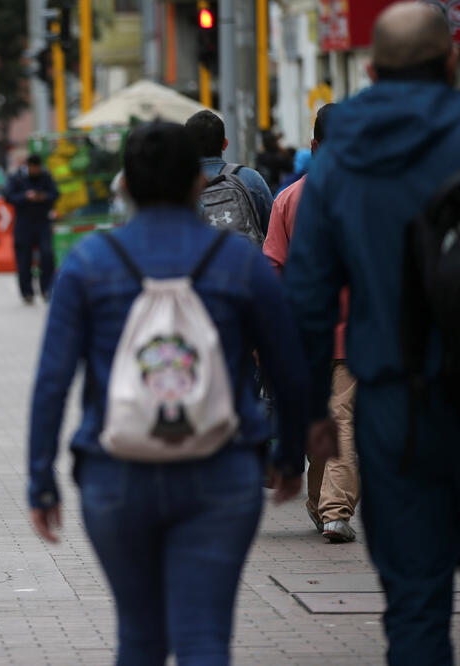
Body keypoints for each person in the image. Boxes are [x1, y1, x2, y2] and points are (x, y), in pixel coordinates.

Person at [28, 121, 309, 665]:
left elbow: (52, 382)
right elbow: (289, 368)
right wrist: (289, 454)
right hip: (223, 471)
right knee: (205, 637)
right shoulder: (241, 263)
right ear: (195, 184)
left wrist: (42, 481)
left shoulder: (88, 264)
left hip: (115, 474)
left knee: (139, 638)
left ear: (125, 187)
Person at [285, 4, 460, 663]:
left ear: (370, 69)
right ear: (450, 59)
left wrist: (301, 420)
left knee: (416, 603)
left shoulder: (342, 156)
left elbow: (306, 299)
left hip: (397, 404)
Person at [262, 103, 360, 545]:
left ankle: (330, 508)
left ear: (314, 146)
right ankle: (330, 508)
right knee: (341, 419)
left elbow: (273, 270)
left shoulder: (289, 198)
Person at [185, 110, 274, 236]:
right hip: (245, 255)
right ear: (225, 144)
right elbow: (273, 233)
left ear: (188, 147)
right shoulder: (251, 178)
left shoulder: (180, 186)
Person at [4, 154, 59, 304]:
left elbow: (55, 194)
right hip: (23, 223)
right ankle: (27, 292)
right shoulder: (17, 178)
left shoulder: (46, 177)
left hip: (42, 222)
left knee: (47, 255)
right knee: (24, 258)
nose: (35, 170)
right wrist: (25, 196)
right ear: (28, 166)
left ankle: (47, 289)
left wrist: (43, 197)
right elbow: (8, 196)